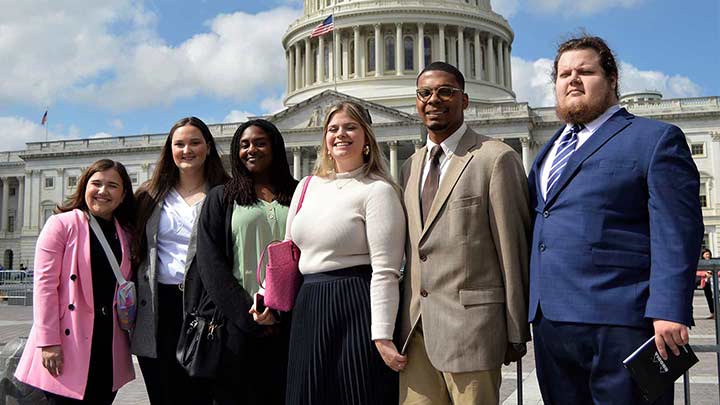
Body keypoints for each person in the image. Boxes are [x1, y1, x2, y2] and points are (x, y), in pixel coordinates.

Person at [527, 35, 704, 404]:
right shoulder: (548, 150)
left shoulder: (654, 139)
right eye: (564, 74)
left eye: (585, 71)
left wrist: (670, 310)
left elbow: (677, 231)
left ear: (612, 80)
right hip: (552, 326)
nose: (572, 80)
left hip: (622, 321)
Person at [396, 61, 531, 405]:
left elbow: (511, 248)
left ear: (465, 100)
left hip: (472, 332)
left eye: (445, 92)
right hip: (416, 333)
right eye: (425, 93)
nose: (434, 100)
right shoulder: (410, 166)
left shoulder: (495, 158)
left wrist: (516, 329)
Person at [284, 101, 405, 404]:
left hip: (354, 303)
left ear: (367, 138)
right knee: (306, 394)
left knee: (355, 393)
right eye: (333, 128)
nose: (341, 134)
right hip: (308, 303)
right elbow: (289, 251)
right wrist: (266, 295)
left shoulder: (377, 190)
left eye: (350, 127)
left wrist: (382, 333)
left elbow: (386, 270)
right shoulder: (307, 186)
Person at [15, 159, 136, 404]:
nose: (103, 191)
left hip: (107, 343)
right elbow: (45, 287)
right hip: (68, 343)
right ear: (84, 187)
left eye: (112, 185)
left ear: (123, 196)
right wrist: (48, 341)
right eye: (97, 183)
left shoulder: (125, 233)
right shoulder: (61, 224)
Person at [193, 119, 297, 404]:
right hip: (236, 325)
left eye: (260, 143)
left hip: (293, 323)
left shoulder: (301, 194)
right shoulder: (221, 198)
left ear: (275, 147)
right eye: (244, 144)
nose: (251, 149)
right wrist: (247, 315)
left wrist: (283, 314)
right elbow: (210, 263)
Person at [131, 116, 229, 405]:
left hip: (205, 308)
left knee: (201, 395)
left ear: (208, 147)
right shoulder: (148, 196)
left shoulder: (225, 192)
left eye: (195, 143)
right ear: (169, 150)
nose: (187, 150)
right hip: (158, 307)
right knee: (162, 395)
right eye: (179, 144)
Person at [701, 248, 716, 319]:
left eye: (708, 254)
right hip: (706, 283)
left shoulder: (713, 261)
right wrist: (705, 273)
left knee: (715, 298)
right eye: (706, 254)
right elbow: (697, 272)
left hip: (715, 282)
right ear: (703, 255)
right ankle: (712, 313)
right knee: (709, 298)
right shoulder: (701, 262)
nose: (707, 255)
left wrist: (714, 273)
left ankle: (717, 312)